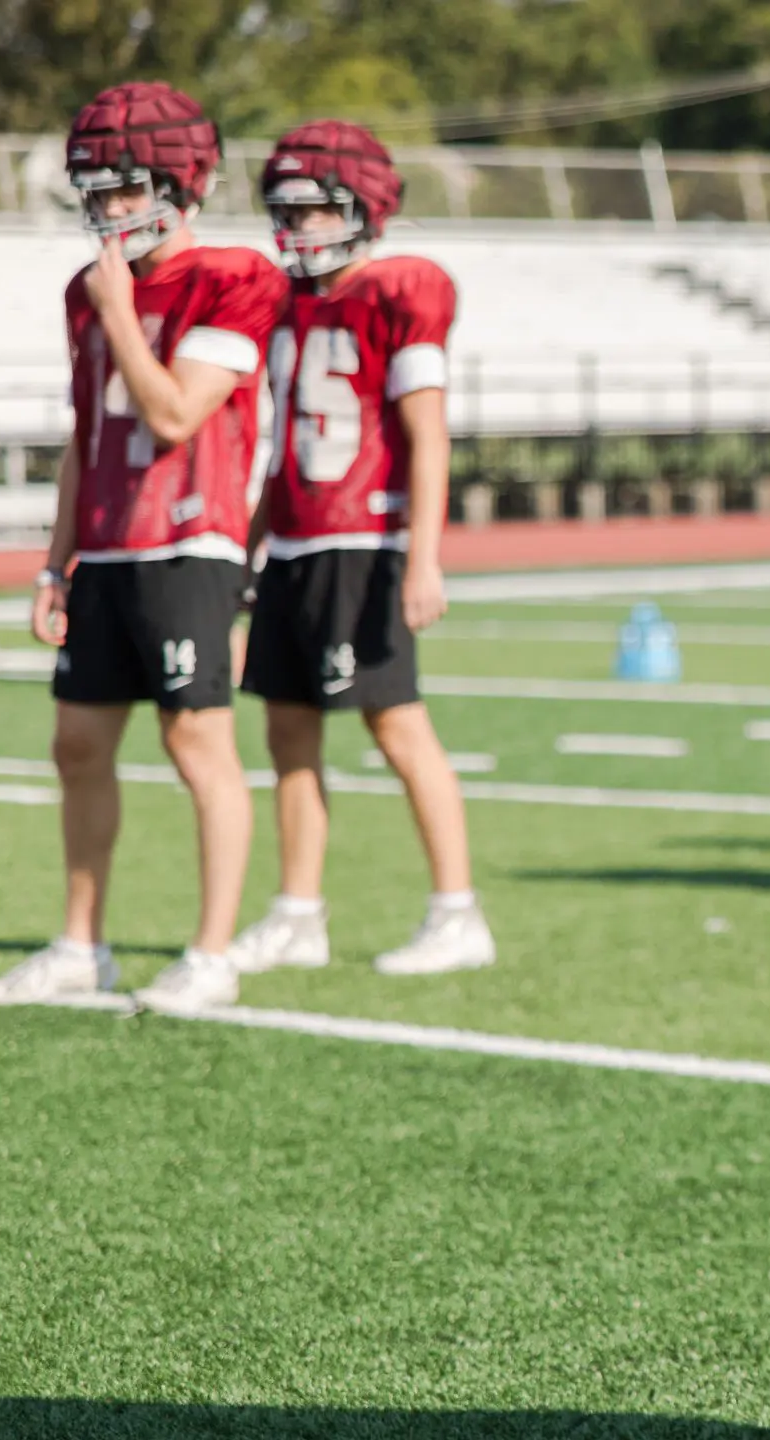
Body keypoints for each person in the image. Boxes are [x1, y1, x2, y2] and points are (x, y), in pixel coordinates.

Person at [0, 82, 287, 1013]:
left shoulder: (235, 276)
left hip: (191, 541)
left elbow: (175, 412)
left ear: (178, 185)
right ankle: (82, 944)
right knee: (76, 743)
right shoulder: (87, 291)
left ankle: (212, 952)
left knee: (196, 740)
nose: (107, 207)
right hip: (108, 549)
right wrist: (55, 560)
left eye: (124, 187)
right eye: (96, 189)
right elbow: (87, 435)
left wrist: (118, 311)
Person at [226, 120, 494, 978]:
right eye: (286, 211)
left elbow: (428, 435)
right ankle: (298, 912)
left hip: (367, 538)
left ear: (360, 209)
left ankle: (458, 911)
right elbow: (282, 447)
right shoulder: (286, 304)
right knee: (286, 730)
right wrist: (250, 545)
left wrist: (423, 556)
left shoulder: (400, 291)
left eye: (312, 210)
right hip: (296, 542)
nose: (296, 227)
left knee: (397, 724)